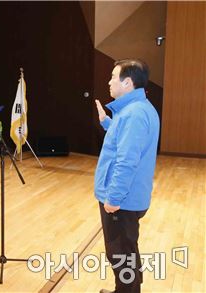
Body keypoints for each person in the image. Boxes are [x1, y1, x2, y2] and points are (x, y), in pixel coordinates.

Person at [94, 59, 159, 293]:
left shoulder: (133, 114)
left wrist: (113, 198)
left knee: (120, 254)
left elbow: (126, 161)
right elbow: (125, 140)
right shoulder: (136, 109)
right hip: (128, 198)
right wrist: (106, 122)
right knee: (126, 251)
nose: (109, 81)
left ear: (128, 82)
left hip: (123, 200)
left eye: (113, 76)